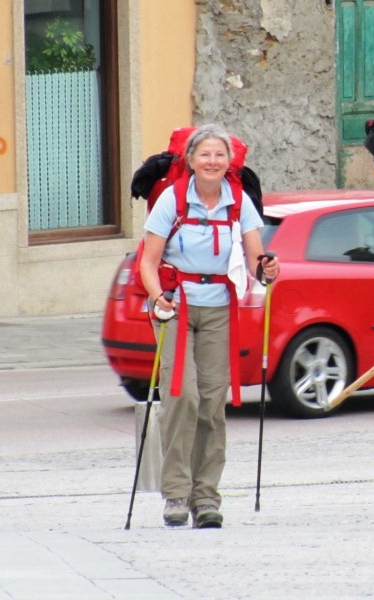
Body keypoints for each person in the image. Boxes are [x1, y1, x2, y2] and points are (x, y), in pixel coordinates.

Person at [138, 125, 279, 527]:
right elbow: (148, 261)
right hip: (176, 307)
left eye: (219, 155)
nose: (212, 162)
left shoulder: (239, 203)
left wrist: (268, 268)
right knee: (182, 397)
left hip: (220, 309)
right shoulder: (172, 199)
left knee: (213, 403)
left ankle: (207, 499)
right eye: (205, 155)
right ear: (191, 160)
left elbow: (256, 260)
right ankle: (176, 496)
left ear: (228, 162)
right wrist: (156, 296)